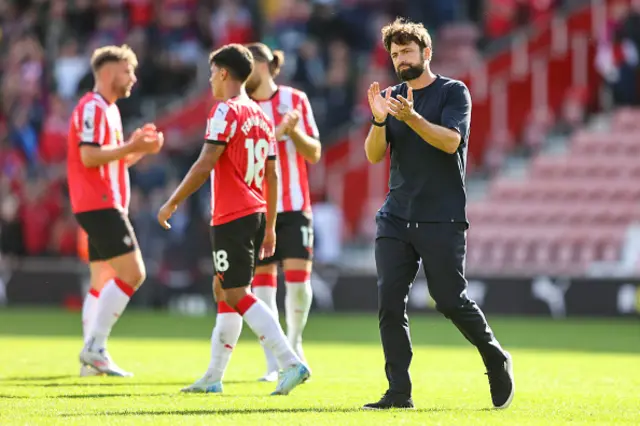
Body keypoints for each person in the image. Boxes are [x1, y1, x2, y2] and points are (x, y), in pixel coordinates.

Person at [362, 18, 515, 410]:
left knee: (449, 299)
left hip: (441, 216)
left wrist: (410, 118)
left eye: (407, 52)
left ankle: (495, 357)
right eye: (395, 54)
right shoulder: (392, 97)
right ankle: (399, 392)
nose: (400, 60)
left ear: (426, 53)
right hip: (396, 216)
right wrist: (380, 120)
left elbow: (450, 143)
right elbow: (374, 154)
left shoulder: (453, 92)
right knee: (389, 303)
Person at [157, 43, 310, 396]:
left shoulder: (225, 111)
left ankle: (290, 361)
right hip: (255, 213)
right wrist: (270, 225)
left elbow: (205, 162)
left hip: (233, 214)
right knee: (223, 289)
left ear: (224, 72)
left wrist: (173, 202)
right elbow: (273, 177)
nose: (210, 79)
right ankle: (213, 375)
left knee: (238, 291)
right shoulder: (261, 115)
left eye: (212, 72)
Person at [68, 44, 163, 377]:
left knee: (100, 283)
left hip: (101, 202)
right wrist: (132, 146)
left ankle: (91, 362)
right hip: (99, 203)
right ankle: (95, 346)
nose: (133, 78)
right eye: (128, 71)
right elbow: (89, 156)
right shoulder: (93, 107)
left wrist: (137, 149)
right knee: (134, 273)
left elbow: (113, 158)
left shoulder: (108, 109)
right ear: (108, 73)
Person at [244, 42, 322, 382]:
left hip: (294, 205)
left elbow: (315, 151)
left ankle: (294, 342)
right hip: (256, 206)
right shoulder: (240, 106)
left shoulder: (295, 99)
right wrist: (277, 134)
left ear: (261, 66)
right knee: (262, 287)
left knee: (299, 285)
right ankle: (273, 361)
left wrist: (294, 131)